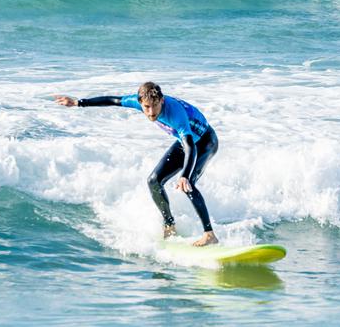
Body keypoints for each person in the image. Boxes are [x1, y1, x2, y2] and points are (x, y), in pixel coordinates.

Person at [55, 82, 219, 246]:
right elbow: (114, 101)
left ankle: (209, 234)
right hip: (185, 142)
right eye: (146, 107)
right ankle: (169, 225)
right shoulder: (139, 102)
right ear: (140, 102)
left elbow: (190, 146)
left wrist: (184, 175)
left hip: (205, 142)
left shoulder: (175, 114)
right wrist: (79, 103)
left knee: (188, 183)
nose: (151, 112)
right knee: (154, 181)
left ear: (161, 100)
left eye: (155, 106)